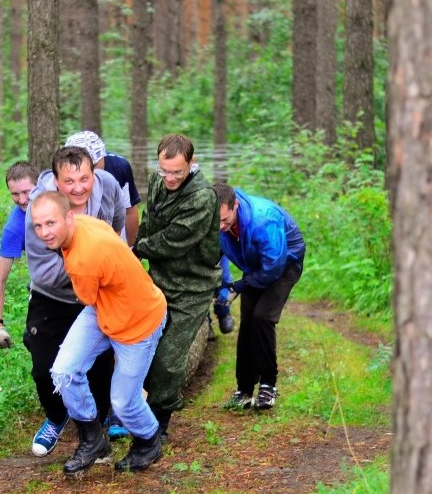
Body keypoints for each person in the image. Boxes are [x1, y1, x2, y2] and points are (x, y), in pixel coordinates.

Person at [30, 191, 167, 474]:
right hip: (108, 306)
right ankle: (93, 439)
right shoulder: (82, 224)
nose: (44, 232)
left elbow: (87, 298)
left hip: (139, 321)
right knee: (65, 371)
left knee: (124, 403)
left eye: (50, 223)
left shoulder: (82, 259)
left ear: (69, 216)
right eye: (38, 225)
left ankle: (149, 439)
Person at [22, 146, 126, 457]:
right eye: (69, 181)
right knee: (44, 370)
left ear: (94, 173)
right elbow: (43, 272)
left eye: (84, 178)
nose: (79, 188)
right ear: (56, 181)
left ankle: (95, 432)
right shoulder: (39, 211)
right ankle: (56, 416)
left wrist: (105, 263)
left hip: (97, 294)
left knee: (100, 364)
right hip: (53, 295)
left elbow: (117, 223)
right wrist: (89, 266)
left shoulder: (106, 186)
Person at [132, 134, 220, 442]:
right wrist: (134, 254)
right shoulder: (159, 182)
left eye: (177, 173)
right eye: (164, 171)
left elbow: (173, 240)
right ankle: (131, 414)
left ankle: (160, 424)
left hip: (192, 288)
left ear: (191, 165)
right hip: (158, 280)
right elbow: (150, 220)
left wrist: (139, 248)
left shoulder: (203, 197)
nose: (170, 178)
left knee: (169, 361)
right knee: (139, 347)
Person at [64, 130, 141, 440]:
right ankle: (85, 404)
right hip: (80, 255)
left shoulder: (118, 168)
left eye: (98, 164)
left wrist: (130, 249)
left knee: (118, 326)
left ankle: (118, 406)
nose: (94, 173)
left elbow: (131, 210)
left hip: (112, 246)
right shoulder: (63, 180)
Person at [214, 183, 305, 411]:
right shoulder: (218, 220)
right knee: (247, 322)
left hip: (284, 264)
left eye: (225, 220)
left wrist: (240, 286)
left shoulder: (264, 220)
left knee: (262, 317)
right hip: (256, 265)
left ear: (235, 205)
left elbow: (273, 268)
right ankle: (244, 389)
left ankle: (268, 384)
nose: (221, 227)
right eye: (216, 222)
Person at [0, 161, 39, 349]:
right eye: (15, 194)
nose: (22, 199)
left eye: (27, 192)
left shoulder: (62, 202)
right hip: (44, 291)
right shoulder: (15, 227)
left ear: (38, 185)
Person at [64, 130, 141, 244]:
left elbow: (129, 211)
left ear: (103, 156)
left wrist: (132, 247)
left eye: (94, 166)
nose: (89, 173)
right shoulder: (62, 173)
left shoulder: (120, 167)